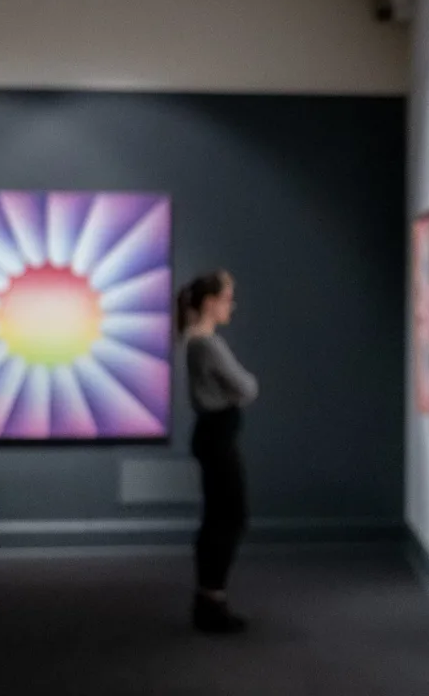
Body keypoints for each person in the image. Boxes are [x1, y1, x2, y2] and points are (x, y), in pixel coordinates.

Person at [175, 270, 257, 634]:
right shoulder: (207, 344)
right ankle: (212, 599)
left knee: (221, 516)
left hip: (213, 435)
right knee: (229, 516)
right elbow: (247, 387)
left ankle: (209, 599)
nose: (232, 306)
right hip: (217, 436)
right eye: (227, 299)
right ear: (210, 303)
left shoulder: (196, 341)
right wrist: (244, 388)